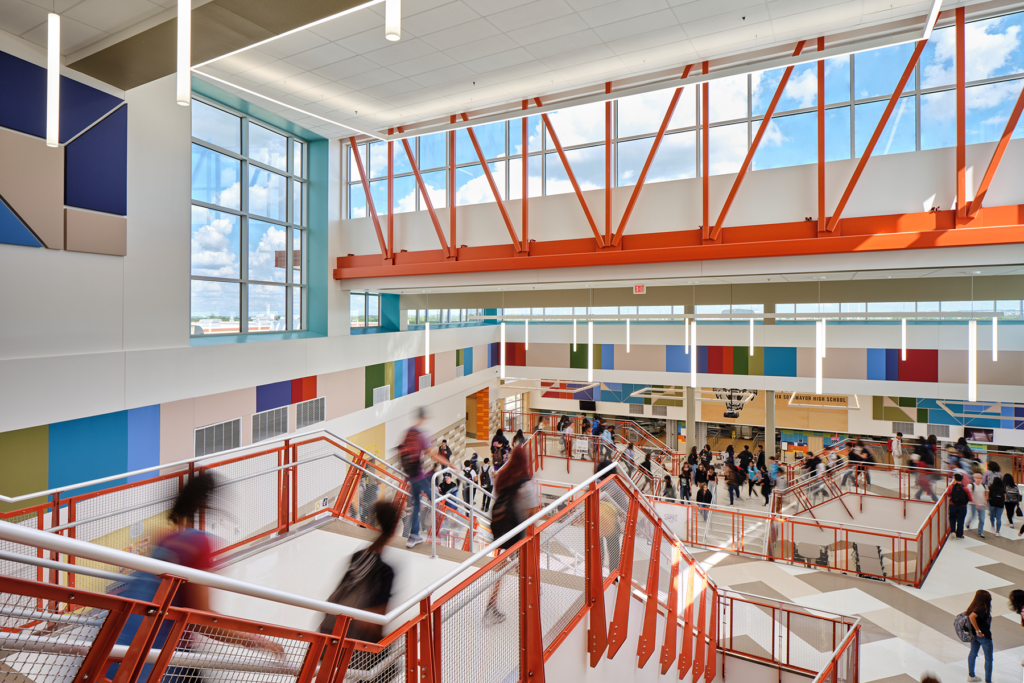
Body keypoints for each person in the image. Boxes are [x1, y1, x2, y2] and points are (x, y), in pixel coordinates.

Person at [112, 472, 283, 682]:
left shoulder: (164, 538)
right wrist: (257, 640)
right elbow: (201, 619)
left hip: (122, 644)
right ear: (209, 502)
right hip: (163, 656)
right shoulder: (200, 544)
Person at [319, 501, 400, 643]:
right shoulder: (385, 571)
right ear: (395, 529)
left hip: (331, 627)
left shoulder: (358, 556)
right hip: (355, 640)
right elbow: (379, 615)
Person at [483, 445, 538, 626]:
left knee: (506, 562)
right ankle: (529, 600)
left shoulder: (503, 476)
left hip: (500, 527)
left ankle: (493, 603)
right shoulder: (525, 483)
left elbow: (498, 496)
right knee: (523, 562)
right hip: (516, 532)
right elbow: (532, 513)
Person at [401, 407, 451, 549]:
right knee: (435, 498)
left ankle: (413, 536)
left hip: (410, 475)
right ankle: (437, 533)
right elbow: (433, 455)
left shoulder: (408, 433)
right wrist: (450, 464)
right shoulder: (421, 436)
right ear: (423, 418)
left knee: (417, 504)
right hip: (418, 475)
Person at [965, 589, 994, 683]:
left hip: (974, 637)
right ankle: (988, 681)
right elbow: (972, 617)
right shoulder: (981, 609)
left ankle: (971, 675)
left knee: (973, 652)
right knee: (989, 658)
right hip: (984, 637)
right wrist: (978, 631)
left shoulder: (973, 607)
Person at [948, 472, 971, 539]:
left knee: (952, 518)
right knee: (960, 520)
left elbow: (948, 494)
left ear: (955, 479)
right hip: (962, 506)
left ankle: (952, 531)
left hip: (952, 505)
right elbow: (970, 498)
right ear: (962, 479)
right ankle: (959, 535)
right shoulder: (965, 489)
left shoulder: (951, 487)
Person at [966, 472, 988, 539]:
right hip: (973, 504)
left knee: (982, 519)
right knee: (973, 516)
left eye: (980, 478)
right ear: (974, 478)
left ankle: (980, 532)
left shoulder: (984, 486)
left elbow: (986, 494)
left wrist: (985, 500)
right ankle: (968, 523)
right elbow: (971, 496)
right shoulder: (971, 486)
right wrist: (976, 504)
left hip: (982, 505)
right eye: (977, 478)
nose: (979, 480)